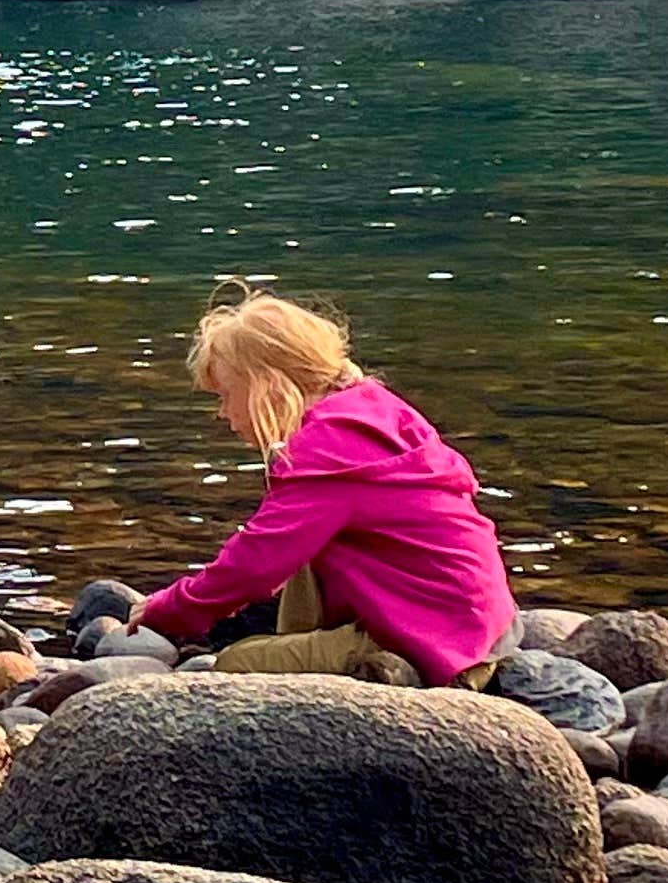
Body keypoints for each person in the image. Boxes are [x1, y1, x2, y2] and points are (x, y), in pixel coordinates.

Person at [133, 283, 515, 689]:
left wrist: (170, 609)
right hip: (483, 622)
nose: (223, 413)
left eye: (227, 395)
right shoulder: (374, 410)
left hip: (436, 639)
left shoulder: (326, 452)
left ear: (266, 385)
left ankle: (384, 671)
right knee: (303, 548)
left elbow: (255, 562)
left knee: (234, 667)